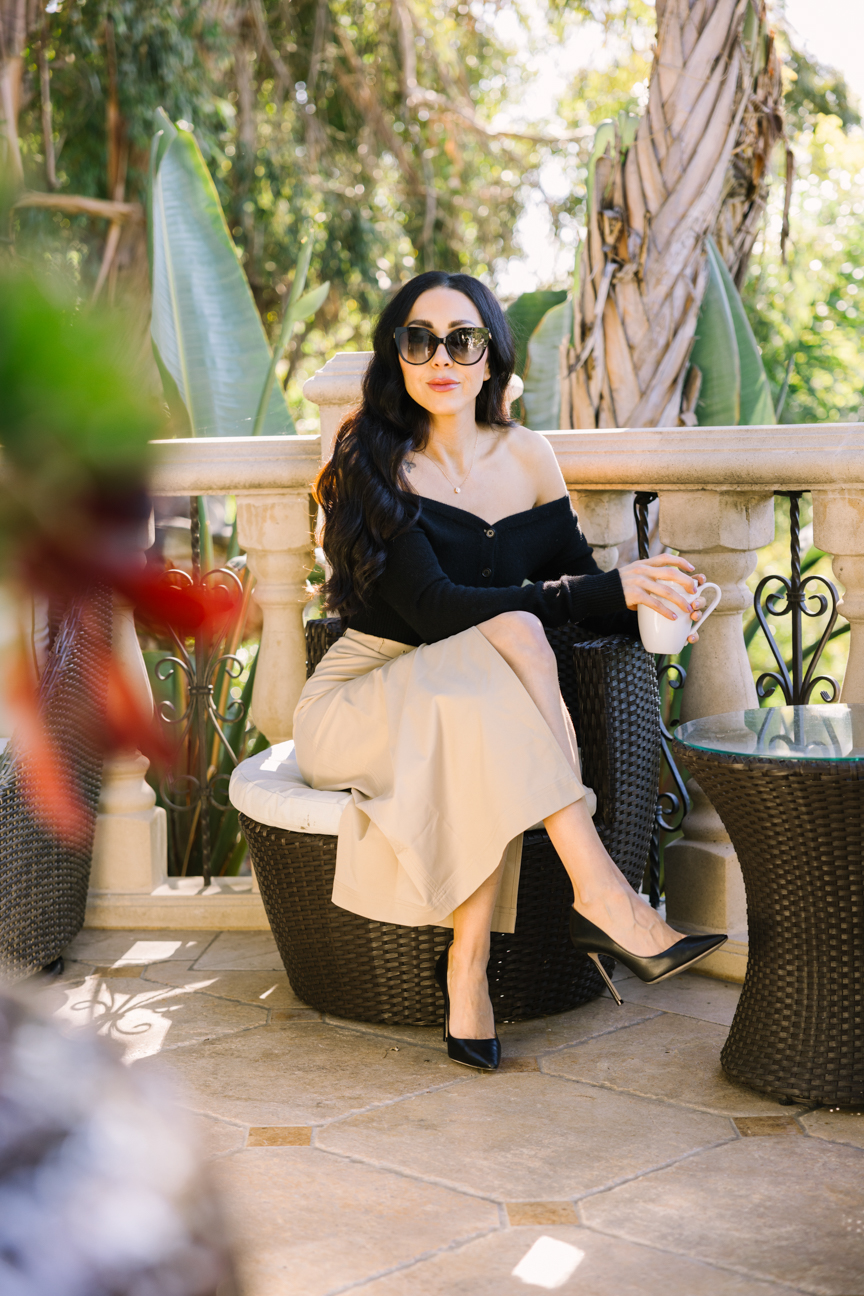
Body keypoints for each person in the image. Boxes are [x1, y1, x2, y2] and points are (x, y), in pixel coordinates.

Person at [295, 270, 726, 1072]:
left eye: (463, 340)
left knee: (495, 684)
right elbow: (435, 611)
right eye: (420, 340)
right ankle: (602, 894)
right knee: (517, 637)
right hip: (363, 696)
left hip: (469, 701)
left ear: (492, 358)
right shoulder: (372, 460)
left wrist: (658, 601)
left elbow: (583, 596)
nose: (442, 358)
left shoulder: (528, 456)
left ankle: (469, 970)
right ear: (397, 355)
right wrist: (605, 589)